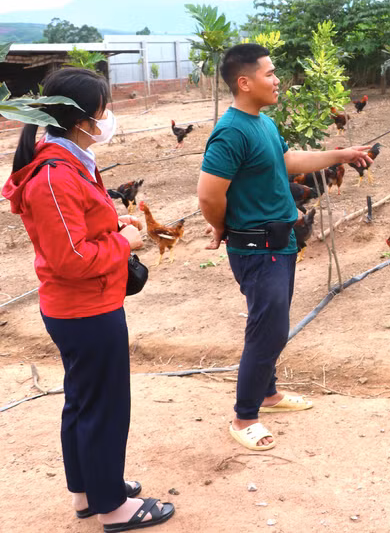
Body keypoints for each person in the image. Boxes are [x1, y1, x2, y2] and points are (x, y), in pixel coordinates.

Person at [2, 68, 175, 531]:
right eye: (102, 111)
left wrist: (111, 223)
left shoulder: (73, 162)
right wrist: (127, 245)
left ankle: (88, 493)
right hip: (85, 309)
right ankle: (112, 506)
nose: (107, 119)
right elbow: (72, 258)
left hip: (86, 305)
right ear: (81, 119)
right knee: (105, 406)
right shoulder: (55, 176)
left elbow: (76, 231)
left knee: (83, 401)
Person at [197, 43, 370, 451]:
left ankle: (269, 395)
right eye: (270, 73)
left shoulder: (263, 123)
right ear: (245, 82)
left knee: (272, 324)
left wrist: (339, 154)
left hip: (281, 242)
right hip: (256, 247)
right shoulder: (231, 132)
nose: (277, 80)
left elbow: (287, 161)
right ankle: (245, 417)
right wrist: (222, 227)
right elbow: (208, 195)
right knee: (268, 328)